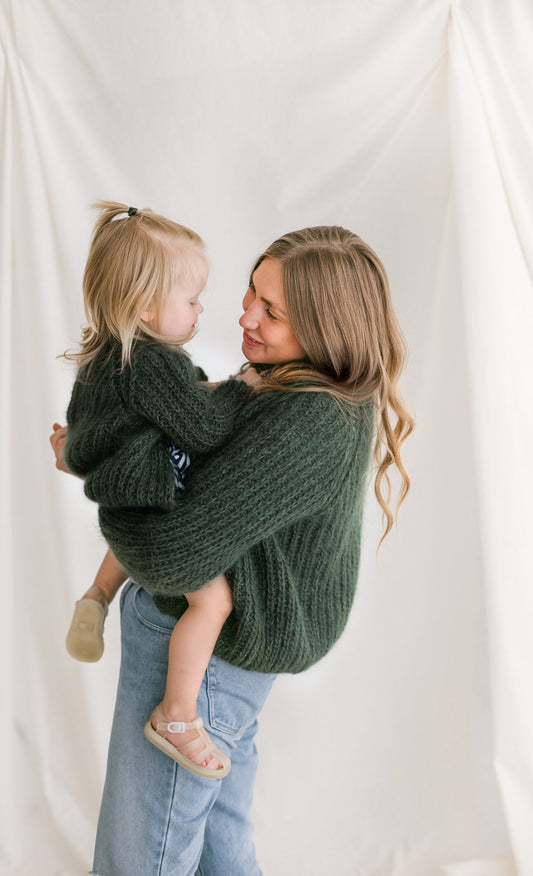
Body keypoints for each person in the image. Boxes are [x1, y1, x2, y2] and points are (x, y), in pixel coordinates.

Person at [50, 224, 413, 876]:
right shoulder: (297, 384)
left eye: (271, 311)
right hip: (229, 658)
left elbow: (172, 552)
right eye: (251, 291)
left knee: (144, 858)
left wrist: (98, 476)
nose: (245, 314)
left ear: (326, 328)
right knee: (221, 843)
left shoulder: (307, 419)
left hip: (204, 659)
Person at [60, 200, 256, 779]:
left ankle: (95, 597)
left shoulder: (104, 358)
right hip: (155, 524)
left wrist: (67, 447)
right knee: (213, 599)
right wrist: (242, 390)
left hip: (125, 521)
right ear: (147, 305)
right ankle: (176, 714)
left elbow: (90, 433)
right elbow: (201, 425)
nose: (200, 309)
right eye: (191, 298)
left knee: (139, 530)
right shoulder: (154, 365)